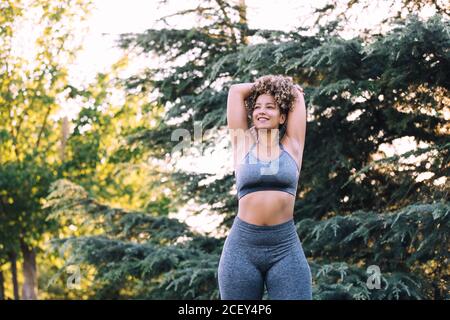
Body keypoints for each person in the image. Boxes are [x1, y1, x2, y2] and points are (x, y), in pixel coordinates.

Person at [218, 74, 312, 300]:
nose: (262, 111)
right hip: (242, 249)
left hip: (285, 247)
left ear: (282, 117)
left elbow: (297, 96)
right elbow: (235, 91)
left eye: (270, 107)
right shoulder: (243, 144)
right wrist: (272, 87)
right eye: (257, 107)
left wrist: (285, 88)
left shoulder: (292, 147)